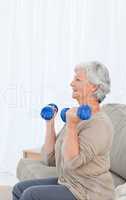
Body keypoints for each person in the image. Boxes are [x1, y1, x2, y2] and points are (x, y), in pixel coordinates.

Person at [12, 61, 115, 200]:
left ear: (93, 87)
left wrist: (71, 126)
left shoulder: (99, 124)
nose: (71, 84)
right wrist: (50, 123)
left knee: (31, 195)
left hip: (89, 192)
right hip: (70, 183)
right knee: (19, 189)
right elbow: (50, 159)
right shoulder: (75, 115)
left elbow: (72, 162)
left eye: (77, 79)